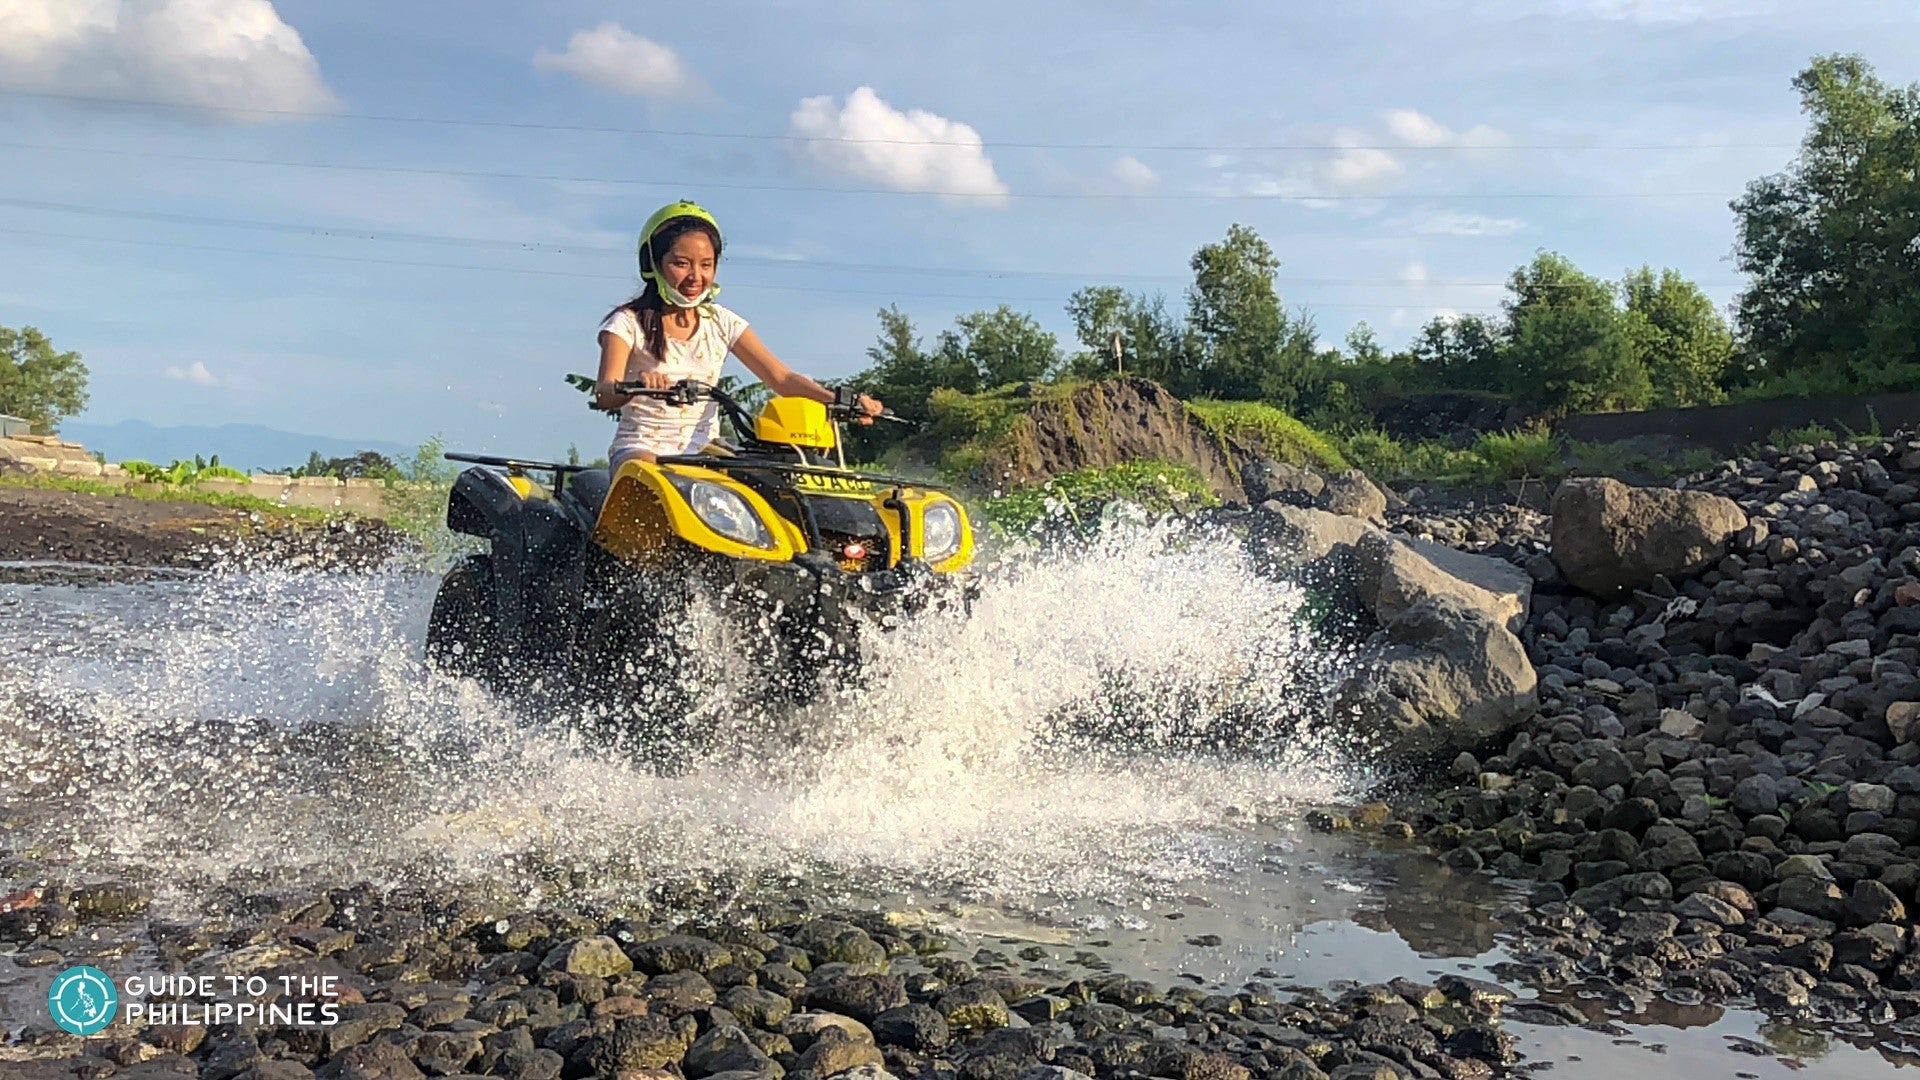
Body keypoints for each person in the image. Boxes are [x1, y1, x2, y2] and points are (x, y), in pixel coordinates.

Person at [593, 200, 882, 468]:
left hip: (706, 453)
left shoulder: (722, 322)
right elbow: (605, 391)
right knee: (650, 476)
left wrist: (840, 400)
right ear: (652, 264)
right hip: (642, 450)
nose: (696, 276)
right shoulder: (627, 323)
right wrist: (638, 383)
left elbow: (780, 378)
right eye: (681, 263)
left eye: (706, 264)